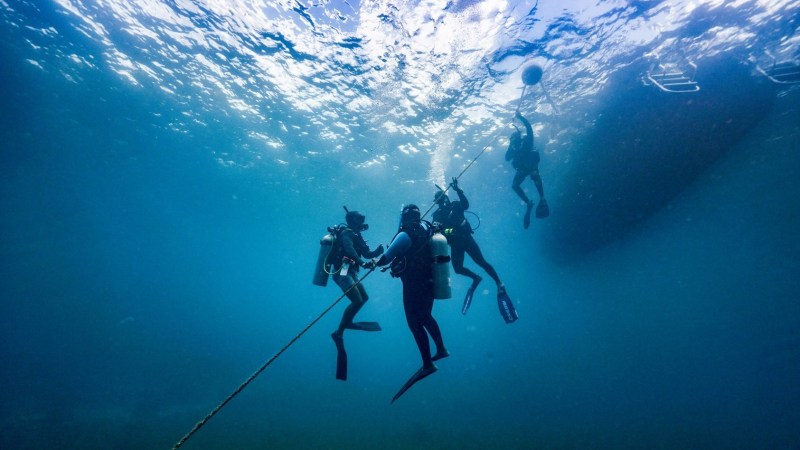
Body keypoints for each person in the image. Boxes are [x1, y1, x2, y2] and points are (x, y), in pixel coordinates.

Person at [371, 204, 449, 402]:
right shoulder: (427, 228)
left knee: (414, 323)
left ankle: (428, 364)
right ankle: (441, 349)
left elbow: (386, 258)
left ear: (403, 218)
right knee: (425, 316)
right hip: (431, 281)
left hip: (414, 284)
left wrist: (372, 264)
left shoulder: (404, 234)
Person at [432, 177, 505, 315]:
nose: (441, 201)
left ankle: (499, 283)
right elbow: (438, 231)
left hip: (466, 239)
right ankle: (476, 278)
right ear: (436, 202)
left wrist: (458, 190)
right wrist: (445, 230)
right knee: (458, 269)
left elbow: (465, 205)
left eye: (440, 197)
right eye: (438, 199)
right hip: (455, 244)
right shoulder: (436, 215)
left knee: (482, 262)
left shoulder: (455, 205)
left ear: (444, 197)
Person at [329, 209, 384, 381]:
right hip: (342, 271)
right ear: (352, 221)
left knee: (363, 298)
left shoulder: (357, 235)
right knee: (357, 300)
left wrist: (376, 252)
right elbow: (349, 249)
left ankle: (347, 323)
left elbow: (365, 253)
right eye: (360, 219)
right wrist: (362, 262)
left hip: (350, 271)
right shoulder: (347, 233)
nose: (362, 223)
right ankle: (339, 332)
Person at [506, 110, 548, 229]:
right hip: (522, 169)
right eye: (511, 140)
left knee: (535, 175)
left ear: (518, 137)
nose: (512, 140)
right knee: (515, 186)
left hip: (531, 166)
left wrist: (520, 117)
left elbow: (529, 127)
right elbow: (506, 158)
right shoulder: (513, 147)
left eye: (513, 139)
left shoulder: (527, 141)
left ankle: (542, 198)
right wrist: (511, 147)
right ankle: (528, 202)